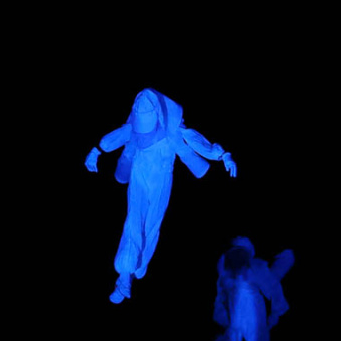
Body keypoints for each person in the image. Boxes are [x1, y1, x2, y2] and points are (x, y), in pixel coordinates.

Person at [86, 88, 237, 303]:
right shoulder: (134, 129)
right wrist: (96, 151)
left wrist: (222, 155)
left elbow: (197, 141)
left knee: (152, 224)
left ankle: (138, 264)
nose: (144, 137)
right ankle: (124, 277)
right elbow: (117, 136)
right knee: (133, 221)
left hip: (161, 183)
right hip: (139, 177)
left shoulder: (171, 133)